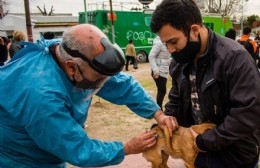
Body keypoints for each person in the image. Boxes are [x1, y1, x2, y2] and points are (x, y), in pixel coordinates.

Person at [0, 24, 177, 167]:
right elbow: (77, 149)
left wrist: (158, 114)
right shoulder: (42, 97)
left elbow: (122, 85)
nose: (104, 84)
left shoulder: (71, 51)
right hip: (22, 159)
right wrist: (126, 148)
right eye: (100, 79)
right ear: (71, 68)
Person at [150, 0, 260, 168]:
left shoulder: (234, 58)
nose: (170, 50)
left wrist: (205, 141)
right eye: (166, 44)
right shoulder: (179, 63)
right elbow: (176, 99)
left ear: (194, 30)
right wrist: (167, 119)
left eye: (173, 42)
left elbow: (248, 114)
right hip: (197, 152)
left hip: (234, 156)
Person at [148, 36, 171, 110]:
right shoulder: (159, 43)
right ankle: (159, 109)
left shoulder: (166, 42)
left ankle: (158, 108)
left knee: (162, 91)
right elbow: (151, 56)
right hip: (158, 72)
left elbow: (166, 57)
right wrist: (156, 71)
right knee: (162, 91)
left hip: (164, 71)